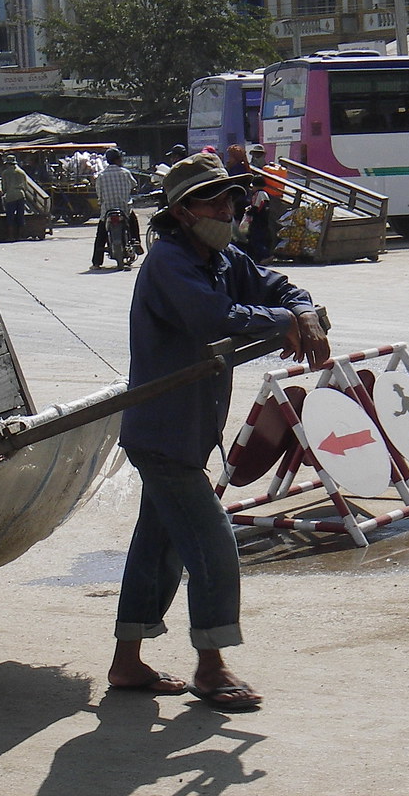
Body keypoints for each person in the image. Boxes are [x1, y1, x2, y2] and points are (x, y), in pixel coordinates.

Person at [110, 152, 330, 712]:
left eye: (230, 197)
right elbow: (216, 318)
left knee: (157, 545)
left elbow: (278, 286)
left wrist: (299, 308)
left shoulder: (224, 256)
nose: (228, 208)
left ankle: (127, 661)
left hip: (189, 430)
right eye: (214, 199)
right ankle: (211, 667)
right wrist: (288, 320)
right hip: (162, 433)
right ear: (183, 212)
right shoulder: (169, 263)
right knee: (213, 546)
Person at [92, 148, 140, 268]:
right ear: (118, 159)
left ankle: (97, 262)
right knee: (133, 221)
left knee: (101, 234)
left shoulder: (101, 176)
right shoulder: (125, 172)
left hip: (107, 210)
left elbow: (99, 194)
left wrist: (102, 202)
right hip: (124, 209)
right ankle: (136, 242)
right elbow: (134, 185)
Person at [0, 154, 29, 239]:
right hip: (20, 195)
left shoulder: (5, 173)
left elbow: (4, 187)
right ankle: (20, 236)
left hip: (10, 196)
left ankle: (11, 236)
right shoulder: (21, 172)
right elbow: (25, 186)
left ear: (8, 164)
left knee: (10, 216)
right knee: (20, 216)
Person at [244, 174, 272, 262]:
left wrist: (248, 211)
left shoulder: (258, 194)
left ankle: (265, 255)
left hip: (258, 220)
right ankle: (260, 257)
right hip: (264, 220)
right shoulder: (265, 194)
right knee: (260, 239)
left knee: (256, 240)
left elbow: (256, 207)